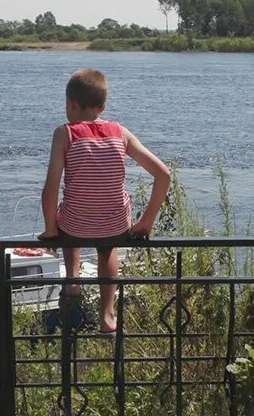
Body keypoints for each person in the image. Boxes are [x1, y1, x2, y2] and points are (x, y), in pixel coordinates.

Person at [39, 68, 171, 335]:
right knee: (107, 247)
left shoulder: (64, 133)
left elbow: (51, 188)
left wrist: (51, 230)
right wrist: (145, 222)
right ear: (102, 105)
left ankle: (72, 281)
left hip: (74, 227)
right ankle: (108, 314)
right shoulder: (120, 132)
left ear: (70, 104)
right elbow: (163, 175)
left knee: (69, 217)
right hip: (115, 227)